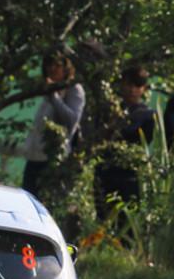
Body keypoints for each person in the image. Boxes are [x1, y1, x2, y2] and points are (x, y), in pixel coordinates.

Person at [95, 65, 156, 220]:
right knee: (104, 219)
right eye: (129, 84)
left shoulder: (148, 115)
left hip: (130, 176)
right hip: (106, 172)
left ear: (144, 88)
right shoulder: (109, 111)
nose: (132, 90)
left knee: (127, 223)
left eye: (137, 85)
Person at [21, 50, 85, 195]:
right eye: (49, 65)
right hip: (35, 157)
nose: (52, 69)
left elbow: (71, 121)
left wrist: (54, 95)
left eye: (57, 65)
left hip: (53, 160)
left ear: (66, 67)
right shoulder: (49, 92)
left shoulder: (73, 90)